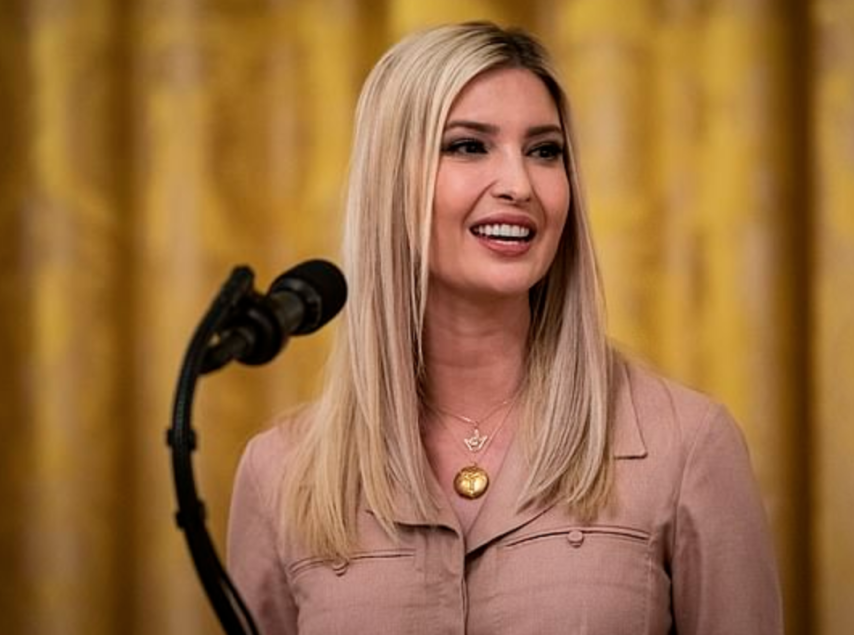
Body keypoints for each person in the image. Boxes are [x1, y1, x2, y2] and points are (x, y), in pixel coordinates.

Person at [227, 21, 783, 635]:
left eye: (545, 151)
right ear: (389, 180)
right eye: (469, 146)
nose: (520, 185)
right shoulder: (279, 474)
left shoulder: (688, 445)